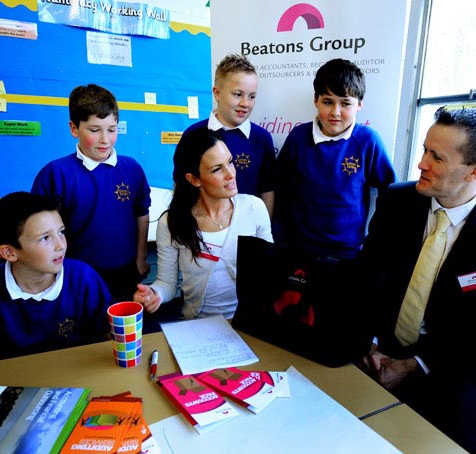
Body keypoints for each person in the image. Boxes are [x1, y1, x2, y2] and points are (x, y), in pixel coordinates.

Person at [360, 107, 476, 452]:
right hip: (375, 352)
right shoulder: (398, 200)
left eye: (437, 157)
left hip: (450, 370)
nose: (421, 164)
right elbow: (366, 276)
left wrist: (414, 365)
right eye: (424, 150)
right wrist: (365, 342)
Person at [132, 128, 272, 324]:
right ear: (194, 179)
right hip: (196, 325)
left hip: (249, 324)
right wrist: (154, 294)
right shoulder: (172, 222)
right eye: (217, 169)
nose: (231, 174)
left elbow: (270, 272)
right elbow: (168, 283)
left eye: (230, 162)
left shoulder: (254, 208)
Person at [0, 192, 113, 362]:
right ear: (9, 252)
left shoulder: (83, 278)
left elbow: (107, 335)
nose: (61, 245)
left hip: (79, 371)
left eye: (61, 232)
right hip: (17, 379)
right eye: (45, 238)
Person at [31, 84, 151, 301]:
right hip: (75, 274)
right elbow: (40, 231)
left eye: (112, 129)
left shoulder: (131, 169)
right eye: (95, 130)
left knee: (122, 329)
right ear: (74, 128)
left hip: (125, 271)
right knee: (86, 332)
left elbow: (141, 214)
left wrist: (141, 258)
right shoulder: (55, 174)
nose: (105, 139)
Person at [274, 58, 396, 259]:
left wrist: (376, 239)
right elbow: (280, 188)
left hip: (347, 254)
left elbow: (390, 193)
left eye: (346, 103)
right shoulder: (298, 138)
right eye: (327, 102)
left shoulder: (368, 141)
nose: (335, 113)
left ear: (359, 105)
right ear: (316, 100)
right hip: (297, 250)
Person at [180, 54, 276, 217]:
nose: (245, 103)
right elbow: (182, 185)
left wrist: (264, 232)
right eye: (238, 94)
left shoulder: (262, 138)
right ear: (217, 93)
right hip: (203, 229)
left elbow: (267, 189)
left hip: (248, 231)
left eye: (252, 96)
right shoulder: (193, 134)